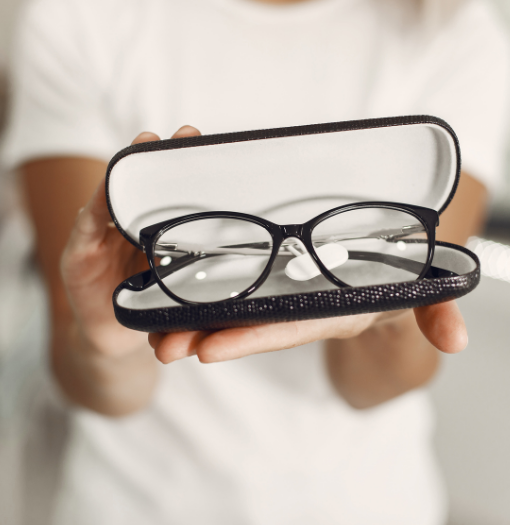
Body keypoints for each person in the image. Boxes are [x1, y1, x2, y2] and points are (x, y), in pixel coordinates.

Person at [1, 0, 509, 523]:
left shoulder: (455, 31)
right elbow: (92, 377)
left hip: (364, 504)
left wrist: (392, 311)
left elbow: (375, 385)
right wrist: (104, 346)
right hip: (133, 504)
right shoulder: (79, 14)